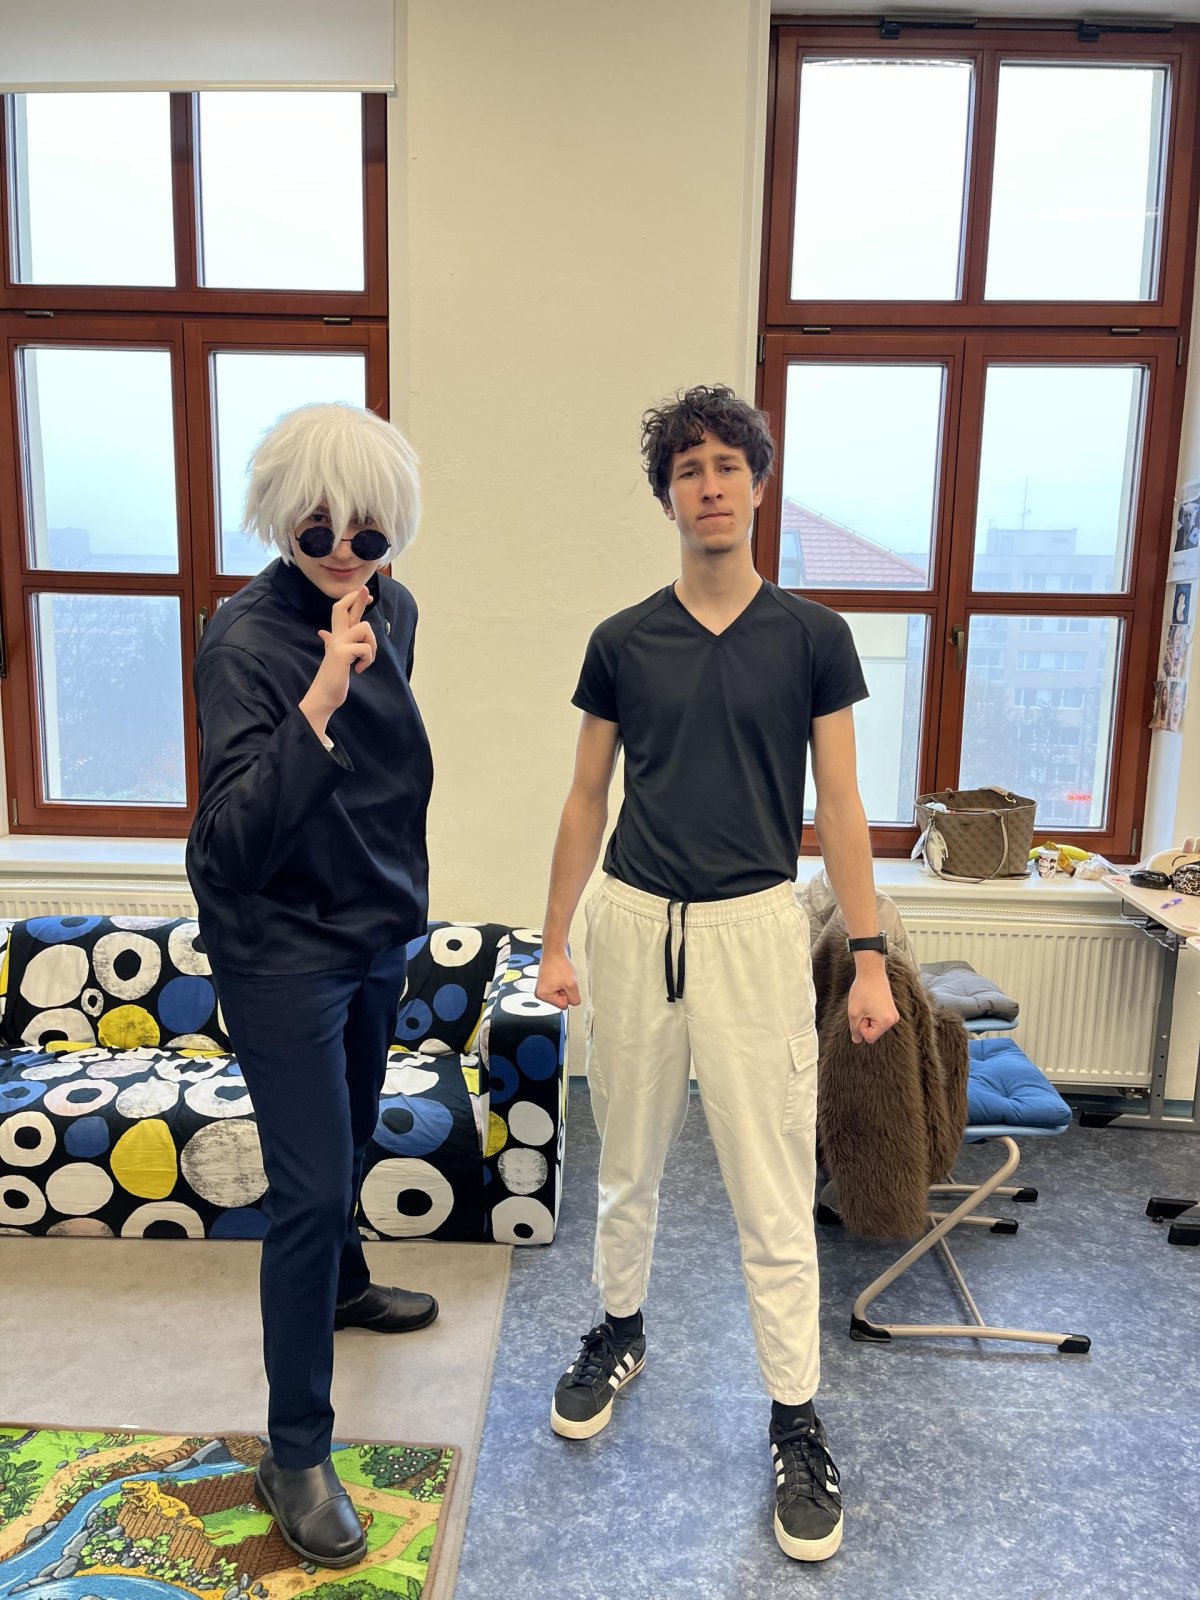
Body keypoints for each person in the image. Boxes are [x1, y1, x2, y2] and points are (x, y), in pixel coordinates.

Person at [534, 385, 898, 1564]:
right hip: (636, 923)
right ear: (668, 497)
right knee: (626, 1162)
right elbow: (585, 796)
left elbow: (842, 805)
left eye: (727, 464)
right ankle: (618, 1328)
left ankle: (795, 1415)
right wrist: (554, 939)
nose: (710, 485)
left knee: (770, 1188)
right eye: (688, 468)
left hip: (753, 932)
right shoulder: (621, 641)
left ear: (758, 484)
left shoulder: (813, 637)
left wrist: (871, 956)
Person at [186, 403, 437, 1569]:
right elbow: (233, 840)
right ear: (279, 515)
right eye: (318, 526)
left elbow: (383, 783)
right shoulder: (242, 643)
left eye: (368, 532)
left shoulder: (397, 609)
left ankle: (343, 1287)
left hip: (372, 929)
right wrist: (323, 694)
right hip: (277, 946)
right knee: (310, 1186)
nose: (344, 549)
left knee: (351, 1144)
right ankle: (295, 1450)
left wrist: (401, 904)